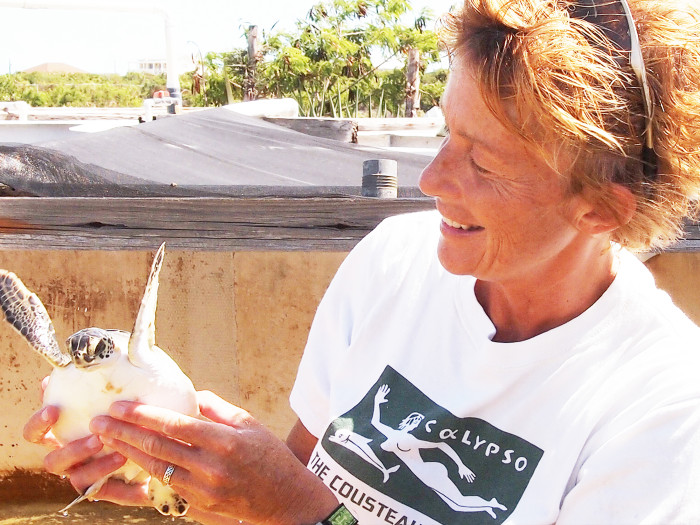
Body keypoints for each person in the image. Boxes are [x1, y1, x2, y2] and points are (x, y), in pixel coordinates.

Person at [23, 0, 700, 523]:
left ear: (601, 210)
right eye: (445, 131)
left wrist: (301, 511)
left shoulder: (661, 409)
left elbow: (299, 504)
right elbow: (301, 477)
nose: (431, 179)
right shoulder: (395, 261)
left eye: (483, 161)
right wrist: (173, 473)